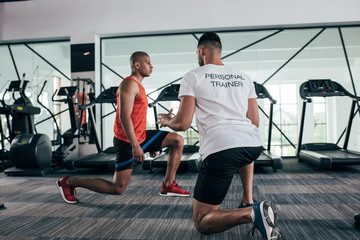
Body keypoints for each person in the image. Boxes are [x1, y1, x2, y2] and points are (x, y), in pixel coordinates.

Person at [157, 33, 285, 239]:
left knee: (202, 222)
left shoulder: (193, 76)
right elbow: (254, 121)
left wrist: (165, 121)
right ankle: (247, 201)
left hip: (221, 148)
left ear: (201, 51)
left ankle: (253, 212)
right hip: (252, 143)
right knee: (241, 143)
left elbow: (182, 123)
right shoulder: (243, 77)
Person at [56, 51, 190, 204]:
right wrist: (136, 146)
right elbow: (124, 117)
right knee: (117, 188)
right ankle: (69, 182)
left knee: (177, 140)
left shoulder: (139, 85)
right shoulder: (129, 84)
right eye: (148, 62)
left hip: (141, 135)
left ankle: (168, 185)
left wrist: (153, 144)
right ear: (137, 65)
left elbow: (137, 117)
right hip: (127, 141)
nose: (152, 66)